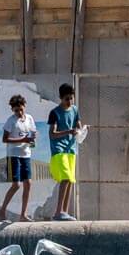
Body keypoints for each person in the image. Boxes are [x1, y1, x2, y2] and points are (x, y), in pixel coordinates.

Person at [0, 94, 37, 221]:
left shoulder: (29, 118)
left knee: (28, 183)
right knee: (16, 185)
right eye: (16, 110)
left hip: (26, 154)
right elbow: (5, 139)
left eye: (21, 109)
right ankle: (2, 211)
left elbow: (33, 132)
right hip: (13, 155)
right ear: (12, 110)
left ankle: (23, 215)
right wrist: (23, 139)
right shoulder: (11, 121)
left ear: (24, 106)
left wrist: (32, 139)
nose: (19, 112)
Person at [47, 83, 81, 221]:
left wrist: (81, 129)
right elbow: (52, 134)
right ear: (61, 98)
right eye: (67, 99)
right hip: (59, 149)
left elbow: (78, 124)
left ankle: (64, 212)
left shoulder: (75, 109)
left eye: (71, 98)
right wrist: (68, 131)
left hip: (71, 149)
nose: (69, 101)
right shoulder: (55, 113)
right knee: (66, 178)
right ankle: (58, 212)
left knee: (71, 181)